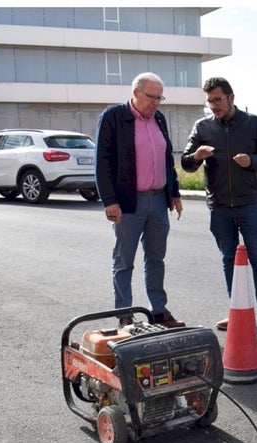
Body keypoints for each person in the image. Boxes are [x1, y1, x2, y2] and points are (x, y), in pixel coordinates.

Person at [181, 77, 257, 336]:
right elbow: (185, 162)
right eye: (210, 101)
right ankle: (237, 312)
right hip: (219, 206)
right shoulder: (202, 127)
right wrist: (196, 156)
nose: (214, 105)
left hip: (249, 203)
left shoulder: (254, 124)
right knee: (229, 260)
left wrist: (251, 160)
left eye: (218, 99)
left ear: (231, 97)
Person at [95, 72, 185, 328]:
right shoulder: (114, 117)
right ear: (135, 92)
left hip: (158, 201)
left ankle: (158, 311)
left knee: (156, 259)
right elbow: (102, 161)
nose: (156, 102)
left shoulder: (159, 118)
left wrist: (174, 193)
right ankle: (125, 315)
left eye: (159, 97)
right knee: (124, 261)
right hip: (127, 203)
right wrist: (109, 201)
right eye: (151, 97)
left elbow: (167, 160)